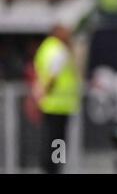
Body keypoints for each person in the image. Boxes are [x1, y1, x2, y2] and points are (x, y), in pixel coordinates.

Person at [33, 24, 81, 174]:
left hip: (51, 103)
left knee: (50, 140)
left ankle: (51, 168)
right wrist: (45, 92)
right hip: (59, 104)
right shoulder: (59, 50)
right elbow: (53, 75)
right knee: (57, 141)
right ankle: (54, 169)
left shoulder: (46, 47)